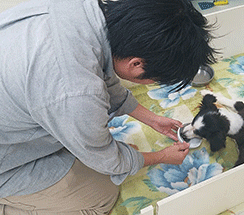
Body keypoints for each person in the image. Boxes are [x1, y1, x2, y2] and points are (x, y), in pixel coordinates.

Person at [0, 0, 217, 213]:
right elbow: (107, 160)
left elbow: (104, 70)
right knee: (104, 193)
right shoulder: (77, 93)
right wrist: (161, 156)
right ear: (136, 64)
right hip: (7, 161)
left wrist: (152, 119)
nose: (153, 84)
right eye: (156, 80)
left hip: (22, 108)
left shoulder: (87, 9)